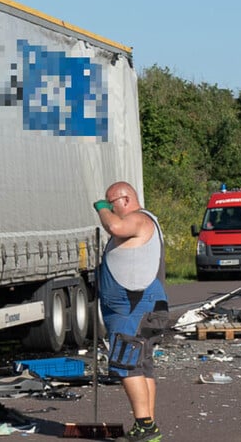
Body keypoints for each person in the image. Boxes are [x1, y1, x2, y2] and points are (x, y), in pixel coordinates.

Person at [93, 181, 168, 442]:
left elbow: (113, 225)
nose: (110, 209)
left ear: (124, 200)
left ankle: (146, 426)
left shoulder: (138, 219)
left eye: (111, 203)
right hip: (143, 308)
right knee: (143, 366)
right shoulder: (145, 223)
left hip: (134, 309)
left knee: (128, 365)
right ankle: (147, 424)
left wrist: (101, 208)